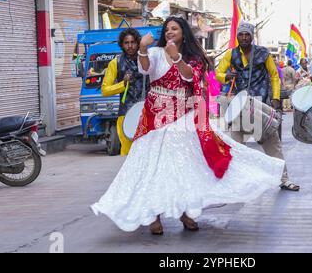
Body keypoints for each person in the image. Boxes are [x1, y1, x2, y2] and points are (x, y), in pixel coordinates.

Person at [92, 16, 285, 235]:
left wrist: (177, 58)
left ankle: (185, 211)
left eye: (174, 28)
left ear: (183, 32)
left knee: (184, 165)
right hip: (155, 115)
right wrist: (143, 48)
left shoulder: (193, 57)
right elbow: (145, 70)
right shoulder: (155, 53)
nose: (169, 32)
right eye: (166, 30)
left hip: (184, 114)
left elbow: (190, 78)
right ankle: (153, 215)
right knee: (152, 166)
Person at [216, 21, 300, 192]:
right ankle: (236, 182)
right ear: (238, 36)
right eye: (241, 34)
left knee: (272, 145)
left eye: (247, 34)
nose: (244, 37)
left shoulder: (263, 53)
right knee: (236, 147)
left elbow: (274, 75)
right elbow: (218, 73)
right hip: (239, 107)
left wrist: (276, 98)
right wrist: (226, 76)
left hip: (260, 105)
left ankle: (284, 180)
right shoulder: (230, 54)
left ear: (252, 36)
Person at [101, 28, 150, 156]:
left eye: (133, 42)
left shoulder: (148, 58)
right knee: (128, 155)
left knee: (148, 153)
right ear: (122, 44)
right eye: (126, 43)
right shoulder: (115, 63)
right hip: (126, 115)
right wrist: (123, 85)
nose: (130, 46)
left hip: (148, 113)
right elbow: (105, 90)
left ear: (138, 43)